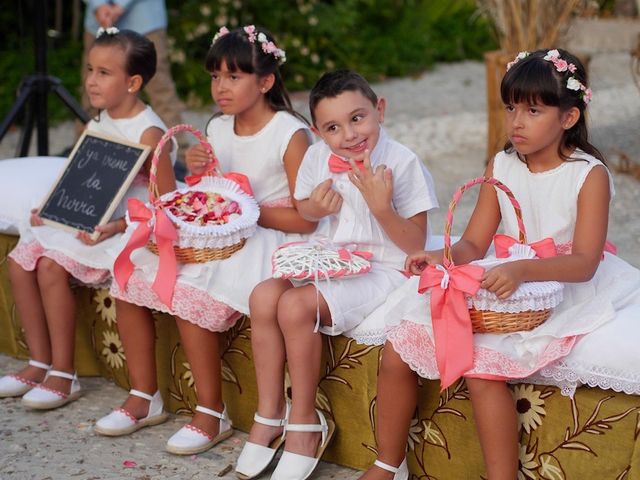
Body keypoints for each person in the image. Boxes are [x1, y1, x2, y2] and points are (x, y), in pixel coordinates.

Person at [359, 48, 640, 480]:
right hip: (506, 276)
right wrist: (442, 255)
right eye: (511, 108)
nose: (517, 122)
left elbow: (585, 262)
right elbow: (473, 241)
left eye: (533, 110)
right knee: (399, 346)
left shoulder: (589, 175)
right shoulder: (502, 164)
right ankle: (387, 462)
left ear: (568, 118)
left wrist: (523, 269)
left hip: (556, 282)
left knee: (483, 368)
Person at [96, 26, 316, 456]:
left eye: (233, 77)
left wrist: (238, 206)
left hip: (264, 237)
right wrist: (200, 175)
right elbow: (206, 195)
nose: (221, 87)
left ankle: (210, 412)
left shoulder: (289, 134)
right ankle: (145, 395)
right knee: (130, 276)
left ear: (266, 81)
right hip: (216, 233)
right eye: (215, 76)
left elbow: (305, 219)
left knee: (189, 287)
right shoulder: (216, 128)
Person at [237, 69, 438, 480]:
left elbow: (415, 244)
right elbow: (306, 211)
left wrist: (382, 208)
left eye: (357, 118)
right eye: (333, 127)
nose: (349, 134)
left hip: (385, 268)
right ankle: (270, 412)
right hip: (331, 259)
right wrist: (317, 208)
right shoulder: (315, 157)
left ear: (379, 109)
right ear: (317, 131)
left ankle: (306, 423)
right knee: (262, 295)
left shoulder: (402, 162)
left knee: (294, 306)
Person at [0, 29, 177, 409]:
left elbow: (166, 204)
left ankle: (64, 373)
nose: (91, 82)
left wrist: (114, 227)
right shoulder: (100, 119)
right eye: (90, 70)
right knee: (19, 262)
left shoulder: (149, 132)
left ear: (133, 82)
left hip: (122, 229)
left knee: (48, 266)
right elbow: (82, 175)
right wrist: (53, 208)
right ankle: (39, 360)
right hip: (88, 221)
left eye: (104, 73)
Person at [80, 0, 186, 159]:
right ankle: (86, 152)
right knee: (93, 93)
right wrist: (98, 4)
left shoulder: (149, 134)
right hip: (98, 20)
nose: (91, 79)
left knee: (160, 90)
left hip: (143, 17)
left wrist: (120, 5)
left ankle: (179, 157)